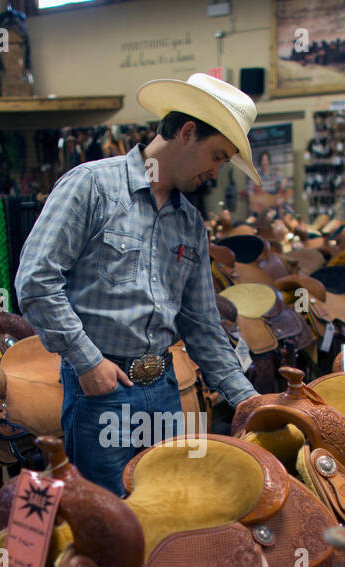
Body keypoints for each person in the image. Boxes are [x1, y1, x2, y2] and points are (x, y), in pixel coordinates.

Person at [15, 73, 260, 494]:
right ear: (187, 132)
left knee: (166, 511)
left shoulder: (189, 222)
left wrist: (248, 399)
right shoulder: (91, 186)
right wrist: (87, 360)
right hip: (103, 391)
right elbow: (36, 282)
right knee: (111, 527)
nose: (216, 172)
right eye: (217, 156)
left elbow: (201, 323)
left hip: (164, 388)